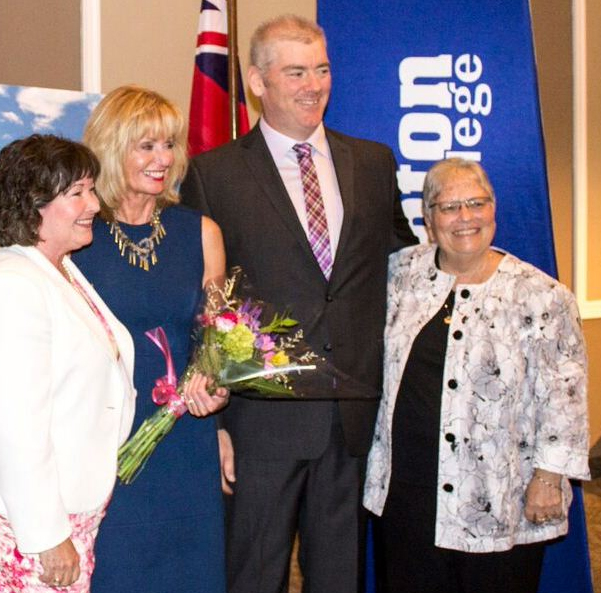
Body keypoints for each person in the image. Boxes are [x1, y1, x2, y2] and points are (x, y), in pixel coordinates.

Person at [180, 14, 417, 593]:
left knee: (338, 577)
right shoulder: (215, 175)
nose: (314, 84)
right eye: (295, 72)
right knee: (255, 576)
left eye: (322, 69)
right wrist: (213, 422)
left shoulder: (373, 162)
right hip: (261, 421)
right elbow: (199, 300)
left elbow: (405, 264)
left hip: (351, 414)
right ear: (258, 82)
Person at [363, 158, 590, 593]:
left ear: (494, 208)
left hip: (499, 494)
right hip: (408, 493)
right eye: (449, 207)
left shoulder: (541, 295)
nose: (465, 217)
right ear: (428, 219)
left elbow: (566, 394)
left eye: (476, 203)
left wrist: (548, 477)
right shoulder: (400, 275)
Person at [0, 134, 137, 593]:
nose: (94, 203)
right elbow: (18, 429)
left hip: (57, 520)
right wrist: (48, 536)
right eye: (78, 194)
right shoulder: (15, 286)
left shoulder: (58, 271)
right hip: (16, 531)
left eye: (91, 189)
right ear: (34, 207)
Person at [72, 85, 229, 593]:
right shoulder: (77, 235)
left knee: (192, 574)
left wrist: (218, 388)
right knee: (117, 573)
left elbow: (218, 337)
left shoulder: (201, 232)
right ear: (112, 149)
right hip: (105, 441)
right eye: (147, 146)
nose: (164, 159)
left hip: (186, 441)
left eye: (170, 145)